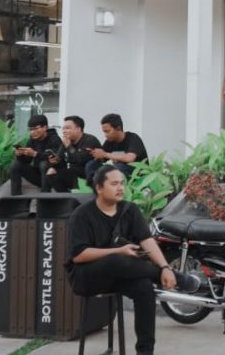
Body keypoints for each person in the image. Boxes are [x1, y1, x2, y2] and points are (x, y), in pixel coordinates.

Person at [67, 166, 200, 355]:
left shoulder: (130, 210)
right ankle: (179, 278)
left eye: (122, 183)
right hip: (87, 277)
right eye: (114, 184)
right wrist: (118, 250)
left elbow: (147, 241)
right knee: (116, 259)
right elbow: (78, 255)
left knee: (144, 287)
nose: (120, 188)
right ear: (99, 188)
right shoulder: (82, 215)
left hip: (121, 274)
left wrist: (165, 267)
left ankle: (145, 351)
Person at [46, 115, 103, 193]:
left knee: (72, 170)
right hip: (72, 172)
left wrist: (69, 146)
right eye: (63, 128)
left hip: (89, 172)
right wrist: (54, 162)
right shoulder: (66, 142)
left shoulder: (90, 140)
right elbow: (60, 159)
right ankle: (65, 197)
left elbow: (81, 160)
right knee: (51, 171)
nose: (64, 131)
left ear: (78, 129)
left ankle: (76, 195)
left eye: (67, 128)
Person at [85, 113, 148, 182]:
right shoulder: (109, 142)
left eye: (107, 131)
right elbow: (102, 158)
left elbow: (129, 158)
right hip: (119, 170)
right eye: (104, 132)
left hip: (137, 173)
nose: (105, 135)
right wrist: (95, 153)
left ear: (118, 128)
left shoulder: (133, 138)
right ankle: (96, 186)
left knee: (117, 168)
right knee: (92, 165)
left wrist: (105, 154)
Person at [9, 114, 62, 195]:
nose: (32, 132)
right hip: (38, 176)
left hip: (54, 176)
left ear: (45, 127)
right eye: (30, 129)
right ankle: (16, 197)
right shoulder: (32, 140)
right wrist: (20, 154)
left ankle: (45, 196)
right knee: (16, 165)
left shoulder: (55, 139)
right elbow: (27, 161)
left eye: (36, 129)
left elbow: (55, 158)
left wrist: (35, 154)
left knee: (44, 164)